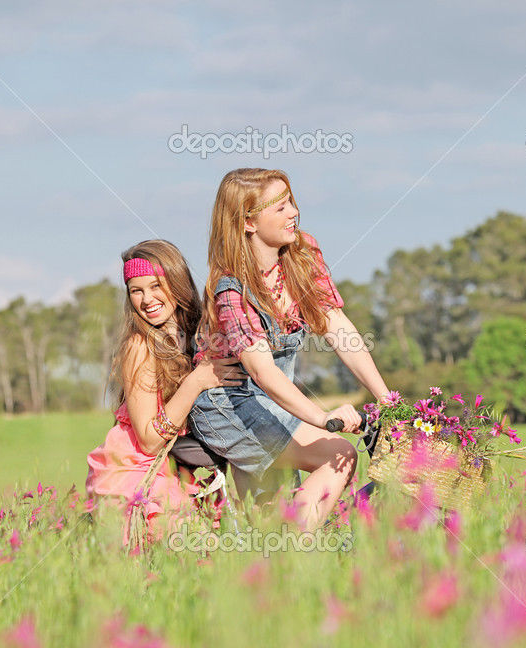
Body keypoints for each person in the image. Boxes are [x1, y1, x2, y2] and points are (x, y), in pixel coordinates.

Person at [189, 168, 394, 531]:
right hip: (227, 405)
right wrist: (322, 417)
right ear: (248, 222)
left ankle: (274, 568)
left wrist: (387, 399)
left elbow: (337, 326)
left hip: (276, 398)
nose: (293, 213)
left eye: (291, 202)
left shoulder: (302, 253)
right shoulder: (230, 288)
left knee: (270, 513)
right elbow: (262, 372)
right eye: (280, 207)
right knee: (339, 455)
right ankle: (292, 553)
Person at [86, 239, 245, 543]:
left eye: (156, 286)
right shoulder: (139, 346)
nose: (147, 299)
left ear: (177, 282)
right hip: (136, 473)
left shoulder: (196, 335)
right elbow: (147, 441)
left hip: (179, 470)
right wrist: (195, 382)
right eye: (136, 290)